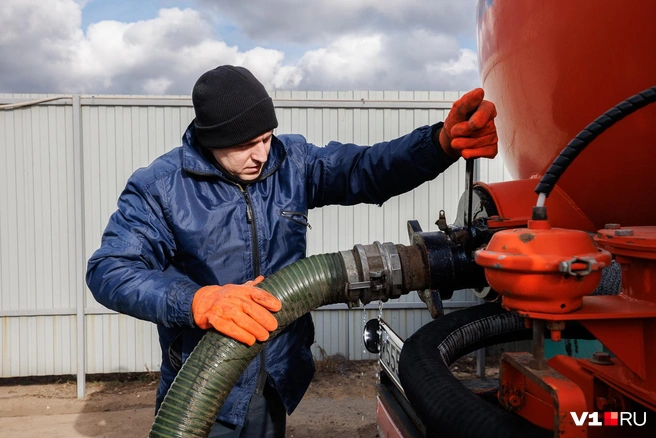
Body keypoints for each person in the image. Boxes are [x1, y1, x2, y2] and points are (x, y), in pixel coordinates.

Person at [86, 65, 498, 437]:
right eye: (246, 144)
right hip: (203, 386)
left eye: (266, 137)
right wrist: (198, 301)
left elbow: (365, 169)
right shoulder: (161, 187)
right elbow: (110, 269)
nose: (261, 154)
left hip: (275, 381)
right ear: (212, 139)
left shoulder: (290, 162)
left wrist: (439, 144)